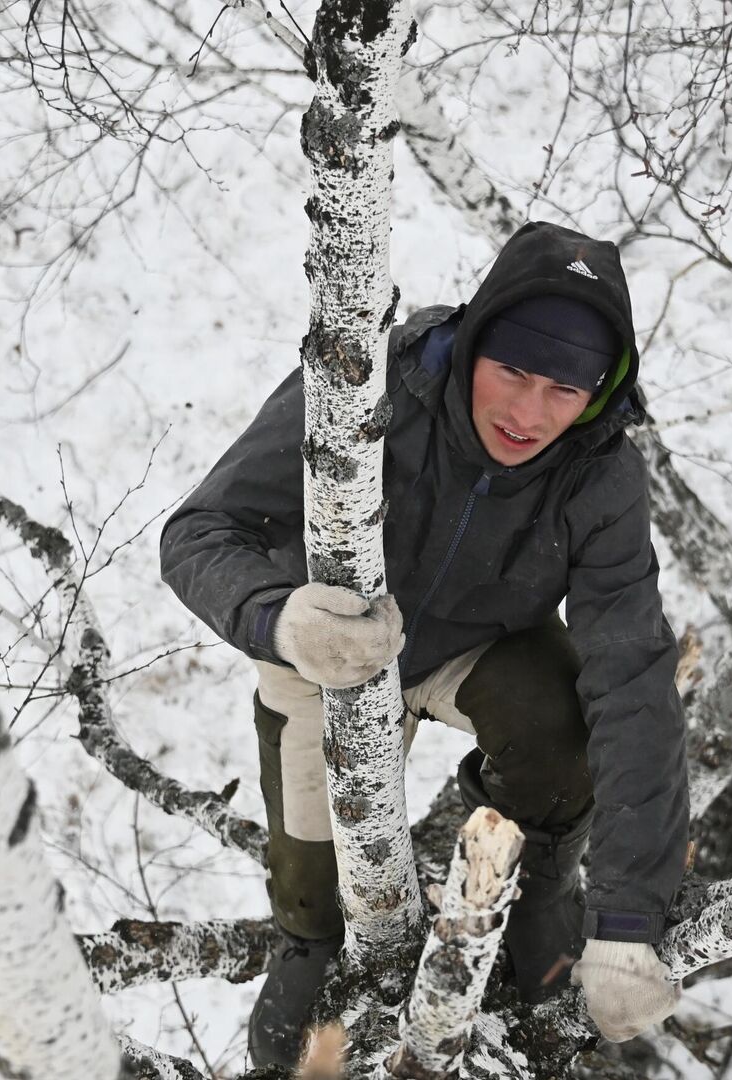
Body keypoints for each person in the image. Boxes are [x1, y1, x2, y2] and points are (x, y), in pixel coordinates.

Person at [160, 221, 689, 1066]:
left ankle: (539, 882)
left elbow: (633, 674)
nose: (529, 413)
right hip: (329, 644)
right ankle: (304, 935)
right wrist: (279, 620)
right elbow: (198, 532)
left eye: (565, 389)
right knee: (320, 890)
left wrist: (627, 921)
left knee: (568, 728)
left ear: (599, 393)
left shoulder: (600, 472)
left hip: (479, 644)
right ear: (473, 341)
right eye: (513, 370)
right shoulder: (373, 386)